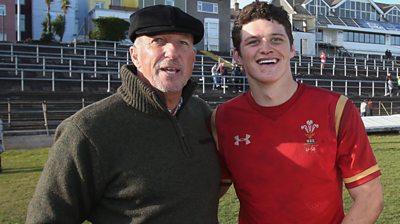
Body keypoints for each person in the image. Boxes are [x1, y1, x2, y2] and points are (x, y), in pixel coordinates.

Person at [26, 5, 220, 223]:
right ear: (135, 55)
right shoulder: (87, 130)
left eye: (183, 43)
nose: (173, 52)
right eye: (158, 41)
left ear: (193, 57)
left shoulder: (202, 114)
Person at [212, 2, 383, 223]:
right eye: (253, 42)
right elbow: (201, 195)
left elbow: (370, 196)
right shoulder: (223, 119)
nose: (266, 48)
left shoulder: (337, 109)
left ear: (292, 49)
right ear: (237, 56)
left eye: (276, 39)